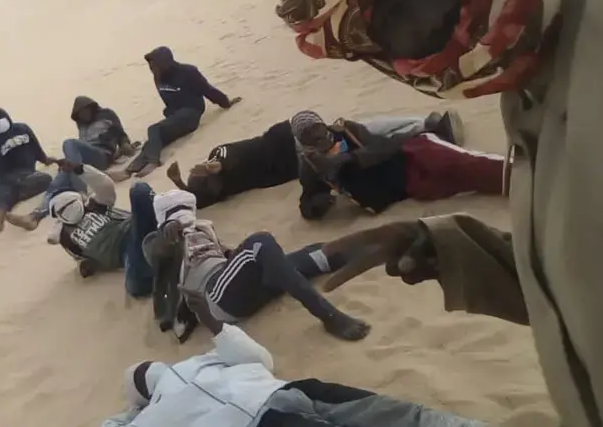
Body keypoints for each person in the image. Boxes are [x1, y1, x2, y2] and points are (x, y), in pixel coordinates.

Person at [277, 0, 603, 424]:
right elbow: (593, 291)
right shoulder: (527, 90)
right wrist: (450, 248)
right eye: (389, 18)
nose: (430, 12)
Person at [102, 290, 482, 427]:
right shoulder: (152, 416)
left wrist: (217, 329)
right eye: (142, 376)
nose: (150, 370)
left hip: (283, 394)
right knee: (388, 414)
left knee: (389, 413)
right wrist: (132, 412)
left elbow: (260, 360)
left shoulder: (201, 362)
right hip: (266, 413)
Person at [151, 189, 370, 341]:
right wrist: (168, 232)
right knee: (260, 242)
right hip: (214, 299)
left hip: (233, 283)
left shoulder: (203, 228)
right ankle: (328, 315)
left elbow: (227, 256)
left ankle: (363, 251)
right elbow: (159, 252)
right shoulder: (158, 241)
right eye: (174, 211)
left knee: (304, 255)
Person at [167, 111, 463, 209]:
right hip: (292, 159)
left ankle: (424, 125)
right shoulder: (223, 190)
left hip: (283, 141)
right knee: (360, 138)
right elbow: (198, 201)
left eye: (209, 183)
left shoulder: (219, 158)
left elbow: (230, 153)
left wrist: (218, 165)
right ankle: (425, 128)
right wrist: (181, 184)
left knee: (359, 131)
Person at [292, 110, 504, 219]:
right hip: (403, 189)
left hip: (412, 156)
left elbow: (385, 147)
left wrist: (350, 158)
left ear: (323, 125)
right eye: (307, 135)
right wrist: (316, 206)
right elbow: (307, 202)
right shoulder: (311, 166)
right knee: (459, 182)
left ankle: (517, 174)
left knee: (464, 164)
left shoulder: (347, 130)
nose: (315, 135)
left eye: (315, 128)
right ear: (303, 143)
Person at [8, 161, 156, 297]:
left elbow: (105, 185)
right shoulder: (66, 237)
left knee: (139, 190)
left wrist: (81, 169)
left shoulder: (95, 205)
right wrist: (85, 265)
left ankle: (166, 225)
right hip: (126, 253)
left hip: (134, 228)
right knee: (136, 287)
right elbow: (84, 260)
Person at [110, 47, 242, 180]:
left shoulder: (188, 72)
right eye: (150, 64)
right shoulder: (158, 78)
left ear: (165, 62)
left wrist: (225, 102)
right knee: (153, 141)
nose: (151, 67)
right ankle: (129, 170)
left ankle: (154, 162)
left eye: (154, 64)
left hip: (191, 113)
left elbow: (208, 90)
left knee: (153, 129)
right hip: (176, 116)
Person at [23, 96, 138, 227]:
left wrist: (125, 144)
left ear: (91, 107)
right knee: (60, 179)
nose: (83, 116)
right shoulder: (81, 123)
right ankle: (35, 215)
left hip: (102, 154)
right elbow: (82, 144)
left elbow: (121, 133)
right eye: (80, 114)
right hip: (84, 159)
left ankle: (81, 192)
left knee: (69, 143)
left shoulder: (107, 114)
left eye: (85, 111)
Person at [0, 107, 54, 232]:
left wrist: (45, 159)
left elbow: (35, 147)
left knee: (8, 194)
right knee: (43, 180)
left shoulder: (21, 129)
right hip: (14, 177)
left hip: (19, 177)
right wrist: (44, 159)